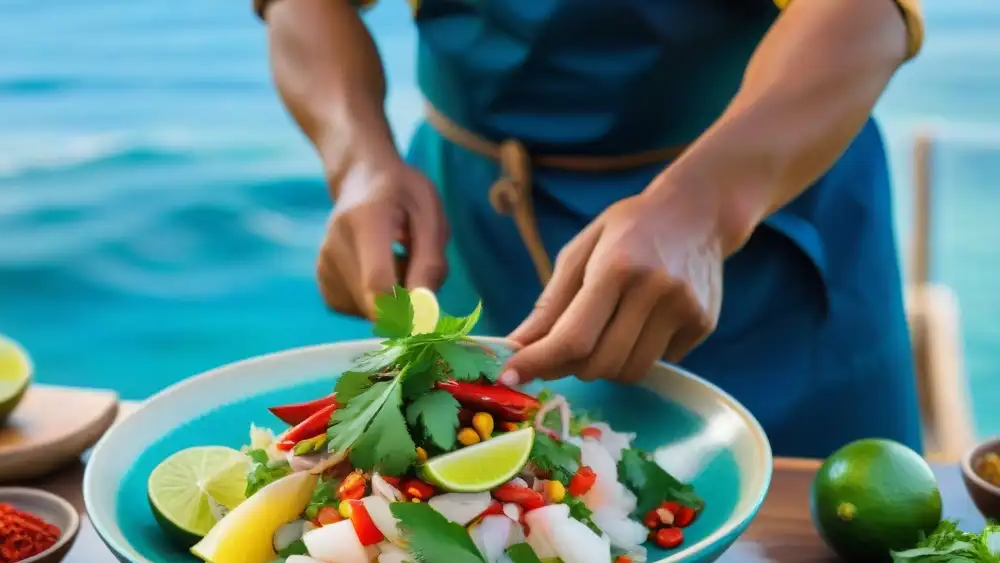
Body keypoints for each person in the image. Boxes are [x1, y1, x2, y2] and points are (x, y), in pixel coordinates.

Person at [253, 0, 925, 459]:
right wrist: (358, 160)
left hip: (767, 222)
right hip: (475, 233)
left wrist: (703, 206)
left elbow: (864, 15)